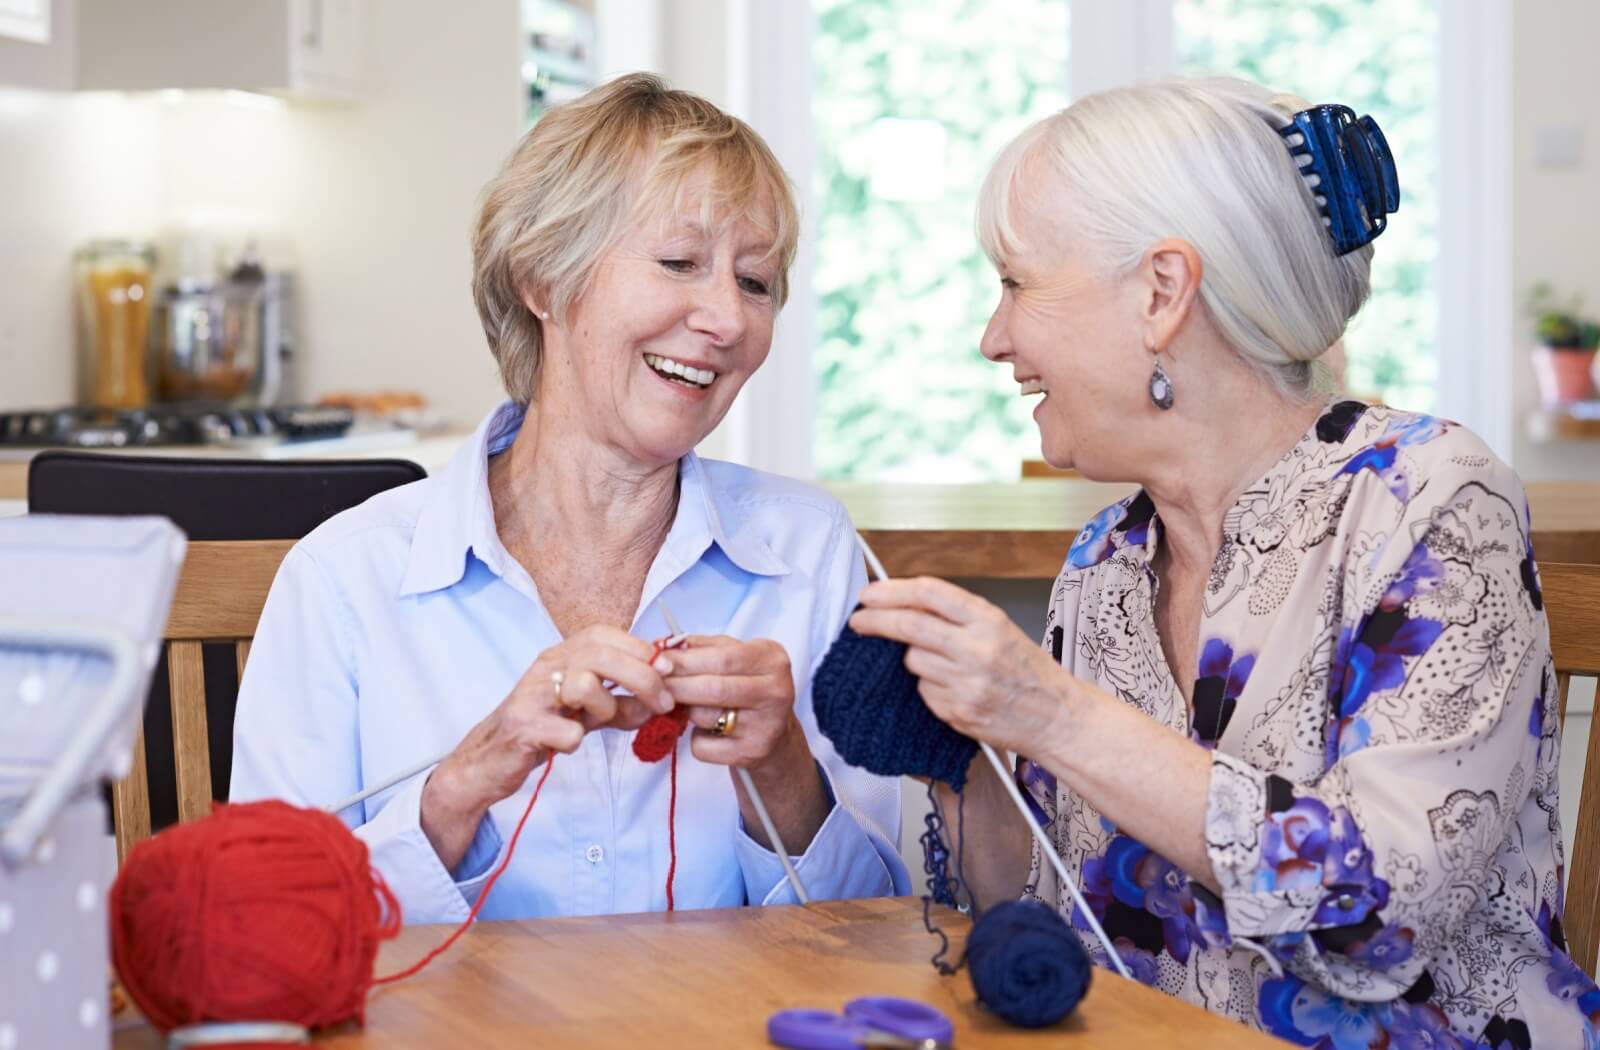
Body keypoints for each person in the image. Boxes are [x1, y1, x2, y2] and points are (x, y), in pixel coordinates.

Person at [852, 78, 1580, 1046]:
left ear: (1161, 294)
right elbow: (1035, 912)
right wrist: (957, 749)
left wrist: (1047, 710)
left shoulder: (1429, 498)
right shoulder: (1107, 561)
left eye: (1015, 284)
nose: (996, 341)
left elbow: (1379, 922)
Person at [231, 74, 906, 924]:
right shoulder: (346, 577)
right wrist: (462, 787)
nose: (729, 320)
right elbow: (263, 925)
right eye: (679, 263)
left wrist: (782, 771)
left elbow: (876, 937)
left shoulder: (809, 553)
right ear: (541, 279)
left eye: (757, 283)